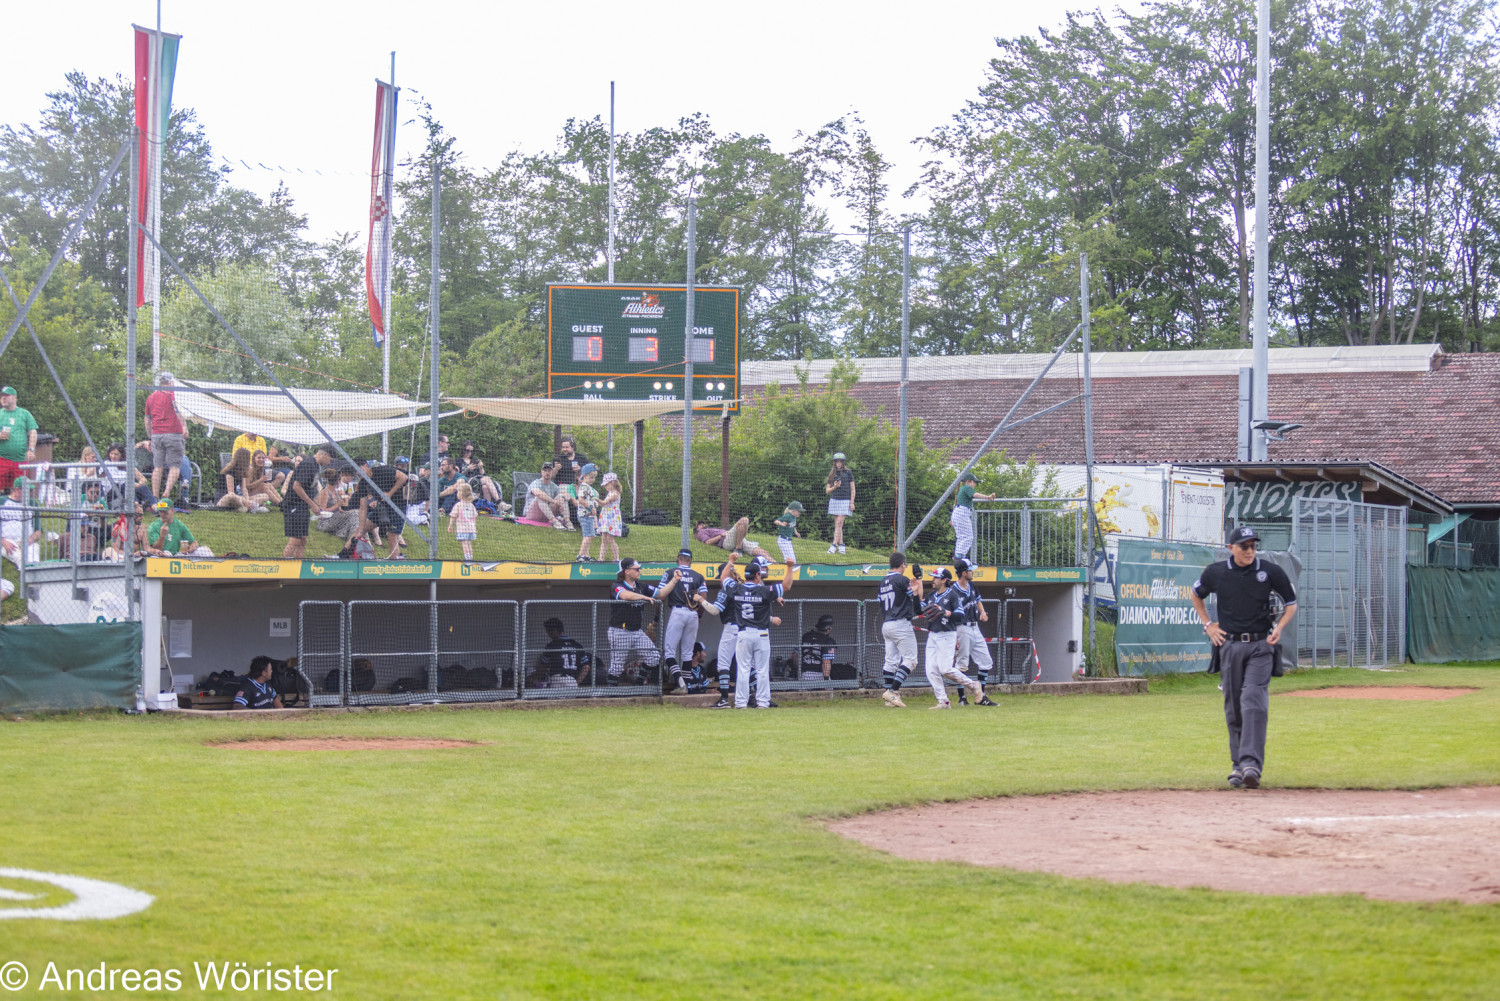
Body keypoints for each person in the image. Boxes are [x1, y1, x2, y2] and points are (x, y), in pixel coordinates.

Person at [1190, 526, 1298, 789]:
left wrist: (1280, 628)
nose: (1250, 551)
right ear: (1231, 548)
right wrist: (1208, 625)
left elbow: (1291, 603)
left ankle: (1251, 764)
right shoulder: (1216, 573)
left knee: (1253, 700)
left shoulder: (1270, 571)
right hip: (1229, 646)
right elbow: (1195, 594)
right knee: (1234, 706)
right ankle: (1238, 765)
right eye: (1244, 546)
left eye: (1253, 546)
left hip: (1261, 645)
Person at [709, 552, 795, 709]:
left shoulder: (737, 589)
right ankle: (762, 702)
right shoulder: (763, 591)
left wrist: (730, 561)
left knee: (743, 669)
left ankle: (741, 703)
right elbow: (787, 586)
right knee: (761, 670)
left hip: (743, 634)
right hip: (761, 634)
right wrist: (789, 568)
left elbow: (723, 579)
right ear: (757, 575)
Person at [921, 567, 989, 709]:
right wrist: (916, 593)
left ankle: (974, 686)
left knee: (945, 669)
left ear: (944, 580)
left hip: (947, 634)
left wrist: (944, 612)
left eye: (936, 577)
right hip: (933, 634)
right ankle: (943, 701)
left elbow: (960, 615)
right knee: (931, 670)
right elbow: (917, 609)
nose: (933, 579)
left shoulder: (952, 595)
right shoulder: (931, 596)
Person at [655, 548, 708, 694]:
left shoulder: (670, 572)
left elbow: (661, 595)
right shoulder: (699, 576)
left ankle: (681, 684)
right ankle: (687, 686)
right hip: (693, 614)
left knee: (669, 653)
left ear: (678, 558)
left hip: (677, 611)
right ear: (690, 560)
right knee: (687, 653)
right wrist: (700, 615)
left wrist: (656, 617)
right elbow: (704, 598)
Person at [877, 551, 924, 707]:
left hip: (887, 623)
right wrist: (919, 581)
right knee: (911, 660)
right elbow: (917, 597)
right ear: (903, 564)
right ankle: (892, 692)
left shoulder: (883, 581)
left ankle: (891, 698)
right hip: (900, 623)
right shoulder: (901, 579)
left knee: (890, 662)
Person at [607, 557, 661, 685]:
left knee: (654, 657)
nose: (639, 570)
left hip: (637, 631)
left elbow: (661, 593)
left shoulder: (641, 586)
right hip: (619, 630)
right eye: (636, 569)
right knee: (617, 666)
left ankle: (639, 683)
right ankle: (611, 693)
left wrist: (675, 581)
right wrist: (645, 597)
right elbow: (625, 595)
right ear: (626, 571)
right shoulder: (616, 585)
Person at [951, 558, 997, 705]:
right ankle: (961, 697)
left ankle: (981, 697)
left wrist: (982, 612)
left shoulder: (971, 585)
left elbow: (977, 600)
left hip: (975, 627)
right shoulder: (953, 591)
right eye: (970, 570)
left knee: (985, 661)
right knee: (962, 663)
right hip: (962, 628)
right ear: (964, 573)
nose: (972, 572)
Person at [282, 443, 333, 560]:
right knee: (295, 539)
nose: (329, 463)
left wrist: (317, 505)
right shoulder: (308, 464)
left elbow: (310, 489)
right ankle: (284, 565)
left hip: (303, 507)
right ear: (325, 455)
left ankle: (299, 567)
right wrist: (312, 505)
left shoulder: (316, 466)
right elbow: (296, 486)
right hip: (294, 505)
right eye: (330, 460)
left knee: (302, 540)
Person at [143, 371, 186, 505]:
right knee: (174, 466)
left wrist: (150, 437)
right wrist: (184, 427)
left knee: (158, 467)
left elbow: (147, 420)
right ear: (171, 381)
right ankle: (166, 491)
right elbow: (180, 412)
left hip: (156, 435)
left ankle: (155, 496)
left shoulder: (151, 398)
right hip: (173, 434)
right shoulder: (174, 395)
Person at [355, 457, 408, 559]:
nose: (357, 472)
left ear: (366, 465)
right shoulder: (362, 482)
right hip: (382, 508)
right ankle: (343, 554)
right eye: (355, 470)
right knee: (359, 530)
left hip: (398, 505)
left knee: (392, 534)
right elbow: (363, 508)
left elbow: (403, 477)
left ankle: (395, 562)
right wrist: (361, 528)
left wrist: (389, 493)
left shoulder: (382, 471)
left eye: (359, 468)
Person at [530, 617, 591, 689]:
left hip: (557, 680)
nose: (549, 634)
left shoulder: (552, 645)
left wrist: (531, 678)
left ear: (554, 630)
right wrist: (576, 683)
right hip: (572, 682)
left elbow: (542, 668)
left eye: (549, 631)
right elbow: (586, 667)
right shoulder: (577, 645)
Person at [0, 385, 40, 493]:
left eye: (6, 396)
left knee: (19, 489)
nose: (3, 398)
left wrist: (31, 449)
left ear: (14, 398)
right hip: (2, 459)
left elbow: (33, 431)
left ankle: (19, 509)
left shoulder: (24, 414)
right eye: (2, 396)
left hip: (20, 460)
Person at [951, 471, 996, 564]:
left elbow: (956, 503)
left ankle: (958, 556)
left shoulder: (962, 489)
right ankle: (959, 556)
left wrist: (952, 519)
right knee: (968, 537)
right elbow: (975, 495)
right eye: (974, 482)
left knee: (961, 536)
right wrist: (987, 497)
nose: (975, 484)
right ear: (968, 482)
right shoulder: (967, 488)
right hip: (962, 513)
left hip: (958, 512)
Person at [312, 465, 360, 548]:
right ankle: (353, 540)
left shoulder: (335, 492)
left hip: (335, 518)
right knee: (355, 513)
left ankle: (351, 537)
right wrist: (337, 505)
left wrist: (345, 509)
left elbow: (340, 510)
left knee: (355, 513)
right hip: (325, 522)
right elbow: (321, 511)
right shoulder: (325, 492)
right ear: (337, 482)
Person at [145, 500, 212, 557]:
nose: (162, 514)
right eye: (160, 511)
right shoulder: (153, 526)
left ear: (172, 510)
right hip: (159, 557)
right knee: (166, 553)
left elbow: (194, 543)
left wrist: (189, 549)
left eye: (165, 512)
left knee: (205, 550)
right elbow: (156, 548)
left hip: (176, 556)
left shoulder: (178, 524)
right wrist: (162, 536)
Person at [0, 476, 41, 567]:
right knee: (19, 557)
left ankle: (35, 576)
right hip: (8, 542)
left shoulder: (32, 503)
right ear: (17, 489)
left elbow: (38, 531)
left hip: (28, 541)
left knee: (34, 555)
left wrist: (29, 541)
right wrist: (3, 541)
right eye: (28, 491)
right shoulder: (2, 502)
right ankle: (27, 577)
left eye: (31, 491)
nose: (30, 493)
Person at [823, 452, 855, 555]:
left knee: (839, 523)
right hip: (834, 500)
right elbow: (827, 491)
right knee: (837, 524)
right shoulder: (832, 473)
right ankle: (841, 545)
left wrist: (852, 502)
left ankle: (833, 545)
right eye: (837, 461)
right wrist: (835, 487)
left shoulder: (848, 472)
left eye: (841, 461)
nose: (839, 463)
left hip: (845, 501)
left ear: (843, 462)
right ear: (835, 462)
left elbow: (853, 488)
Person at [524, 462, 571, 529]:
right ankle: (555, 522)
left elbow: (568, 495)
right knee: (540, 497)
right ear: (541, 472)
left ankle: (567, 522)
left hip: (545, 515)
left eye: (549, 471)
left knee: (562, 497)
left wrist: (562, 499)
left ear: (552, 472)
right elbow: (538, 493)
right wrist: (553, 501)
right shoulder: (536, 482)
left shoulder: (553, 486)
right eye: (545, 470)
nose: (547, 473)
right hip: (531, 514)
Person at [456, 442, 501, 506]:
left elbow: (483, 475)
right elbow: (457, 475)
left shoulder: (475, 460)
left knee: (485, 487)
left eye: (472, 451)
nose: (469, 453)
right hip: (466, 481)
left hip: (477, 480)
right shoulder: (458, 461)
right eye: (467, 450)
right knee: (485, 480)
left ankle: (487, 508)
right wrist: (468, 469)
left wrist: (481, 467)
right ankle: (499, 501)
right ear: (463, 450)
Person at [217, 448, 260, 512]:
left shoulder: (242, 472)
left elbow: (244, 489)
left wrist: (247, 500)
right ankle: (247, 507)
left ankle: (246, 506)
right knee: (232, 496)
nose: (249, 461)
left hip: (237, 498)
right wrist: (244, 500)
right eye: (248, 458)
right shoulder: (229, 472)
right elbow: (230, 492)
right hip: (224, 499)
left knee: (264, 496)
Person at [800, 614, 838, 683]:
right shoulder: (828, 640)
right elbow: (826, 662)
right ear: (829, 628)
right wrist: (826, 680)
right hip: (820, 675)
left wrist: (801, 669)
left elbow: (794, 655)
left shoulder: (805, 636)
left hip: (805, 675)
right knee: (829, 693)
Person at [574, 464, 600, 561]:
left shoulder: (588, 487)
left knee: (588, 535)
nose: (593, 479)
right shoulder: (584, 487)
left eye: (594, 477)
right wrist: (590, 508)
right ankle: (580, 556)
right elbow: (581, 499)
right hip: (585, 515)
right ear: (584, 476)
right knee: (590, 535)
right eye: (591, 477)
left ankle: (586, 556)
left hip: (588, 515)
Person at [597, 472, 624, 562]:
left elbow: (604, 503)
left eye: (606, 484)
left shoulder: (615, 494)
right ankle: (600, 558)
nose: (605, 486)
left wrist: (595, 498)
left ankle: (616, 558)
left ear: (612, 482)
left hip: (612, 519)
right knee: (603, 538)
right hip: (605, 517)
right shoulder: (609, 492)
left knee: (610, 538)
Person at [450, 480, 478, 561]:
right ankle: (471, 558)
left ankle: (467, 558)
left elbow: (453, 516)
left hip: (462, 529)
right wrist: (474, 526)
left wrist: (450, 525)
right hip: (471, 529)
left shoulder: (458, 505)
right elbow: (475, 516)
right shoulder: (471, 505)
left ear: (461, 494)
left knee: (464, 543)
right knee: (469, 543)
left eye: (458, 491)